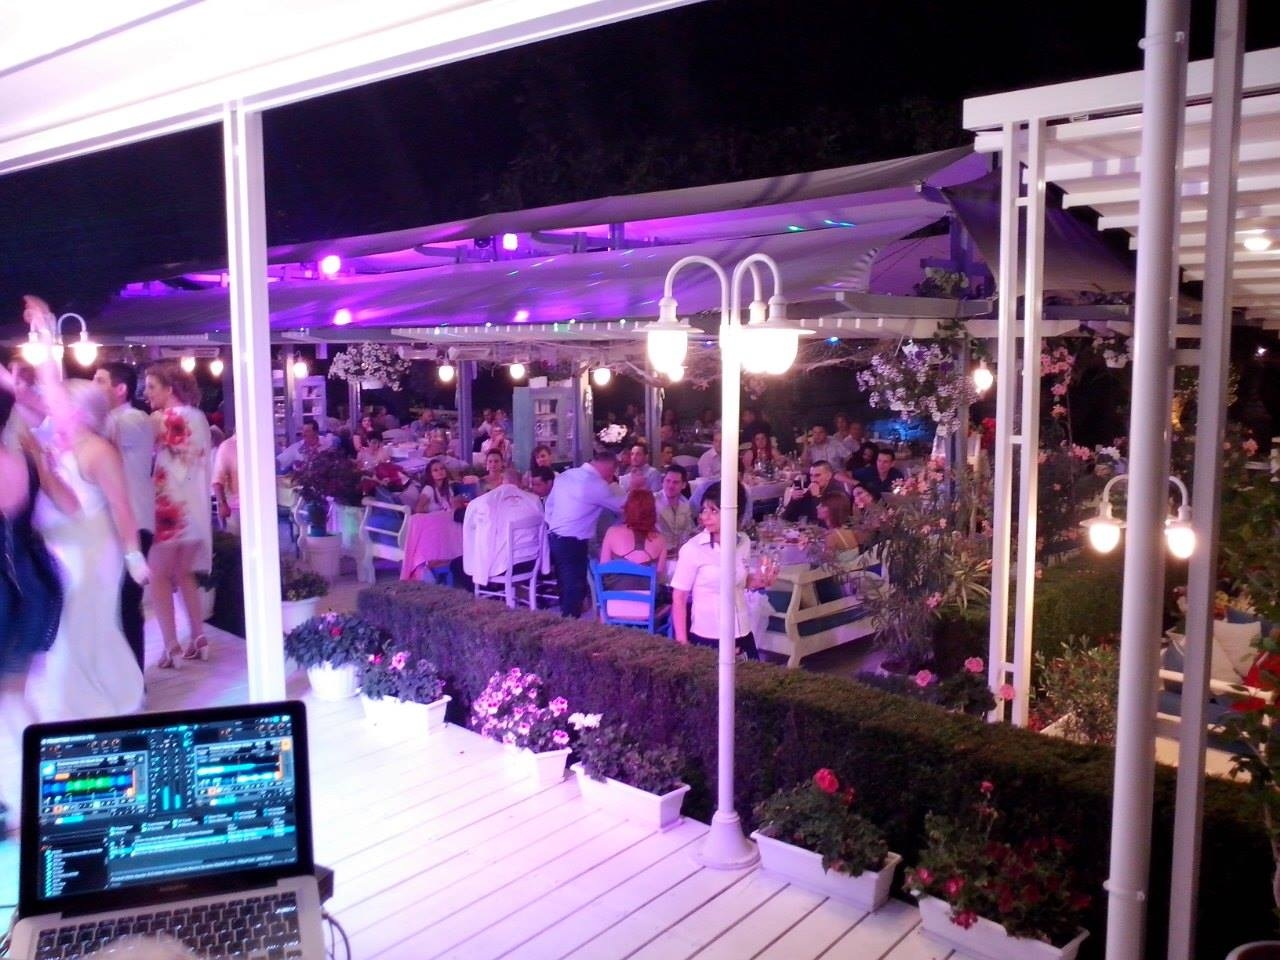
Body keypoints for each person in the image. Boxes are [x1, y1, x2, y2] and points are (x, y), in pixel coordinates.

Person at [25, 379, 148, 721]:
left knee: (82, 627)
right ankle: (75, 703)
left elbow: (121, 506)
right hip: (58, 545)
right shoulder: (56, 443)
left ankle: (91, 704)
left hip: (90, 550)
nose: (50, 407)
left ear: (77, 412)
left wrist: (134, 556)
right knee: (67, 627)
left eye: (59, 403)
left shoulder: (98, 450)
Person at [144, 361, 213, 668]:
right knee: (185, 574)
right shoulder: (199, 418)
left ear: (169, 389)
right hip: (195, 510)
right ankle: (199, 637)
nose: (146, 393)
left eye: (151, 387)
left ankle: (171, 645)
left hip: (168, 510)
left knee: (158, 575)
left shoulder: (161, 420)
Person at [94, 362, 156, 673]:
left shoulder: (133, 419)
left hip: (135, 523)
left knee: (127, 604)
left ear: (120, 389)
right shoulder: (114, 421)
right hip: (119, 522)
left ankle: (135, 679)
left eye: (99, 381)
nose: (93, 387)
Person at [670, 481, 774, 661]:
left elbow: (740, 581)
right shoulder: (693, 549)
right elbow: (679, 598)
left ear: (733, 512)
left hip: (742, 631)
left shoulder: (743, 542)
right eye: (704, 510)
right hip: (708, 635)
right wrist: (682, 645)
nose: (705, 517)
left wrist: (759, 580)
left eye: (714, 511)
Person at [544, 448, 628, 618]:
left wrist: (557, 526)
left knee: (565, 585)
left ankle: (565, 622)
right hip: (573, 541)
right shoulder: (596, 484)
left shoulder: (566, 475)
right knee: (573, 587)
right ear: (609, 468)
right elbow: (621, 507)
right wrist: (636, 489)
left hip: (555, 537)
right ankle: (569, 626)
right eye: (612, 472)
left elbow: (549, 505)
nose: (611, 477)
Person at [600, 490, 668, 585]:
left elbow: (603, 569)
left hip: (614, 592)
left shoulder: (612, 532)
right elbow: (660, 577)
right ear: (652, 512)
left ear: (627, 508)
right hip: (647, 593)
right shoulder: (661, 540)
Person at [783, 459, 847, 524]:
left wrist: (816, 497)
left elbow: (822, 522)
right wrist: (793, 500)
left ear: (829, 476)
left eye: (817, 475)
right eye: (811, 475)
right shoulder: (810, 489)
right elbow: (786, 519)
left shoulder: (837, 493)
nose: (813, 479)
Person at [655, 464, 695, 552]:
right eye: (668, 481)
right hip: (657, 552)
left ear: (684, 485)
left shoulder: (685, 504)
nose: (670, 486)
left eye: (675, 482)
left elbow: (688, 531)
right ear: (663, 482)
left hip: (680, 552)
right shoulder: (652, 501)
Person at [210, 431, 239, 532]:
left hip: (262, 508)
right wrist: (222, 504)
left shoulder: (258, 443)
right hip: (236, 509)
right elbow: (217, 480)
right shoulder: (227, 446)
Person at [817, 489, 860, 556]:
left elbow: (825, 560)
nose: (817, 507)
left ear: (832, 510)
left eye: (822, 505)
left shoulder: (831, 536)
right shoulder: (846, 528)